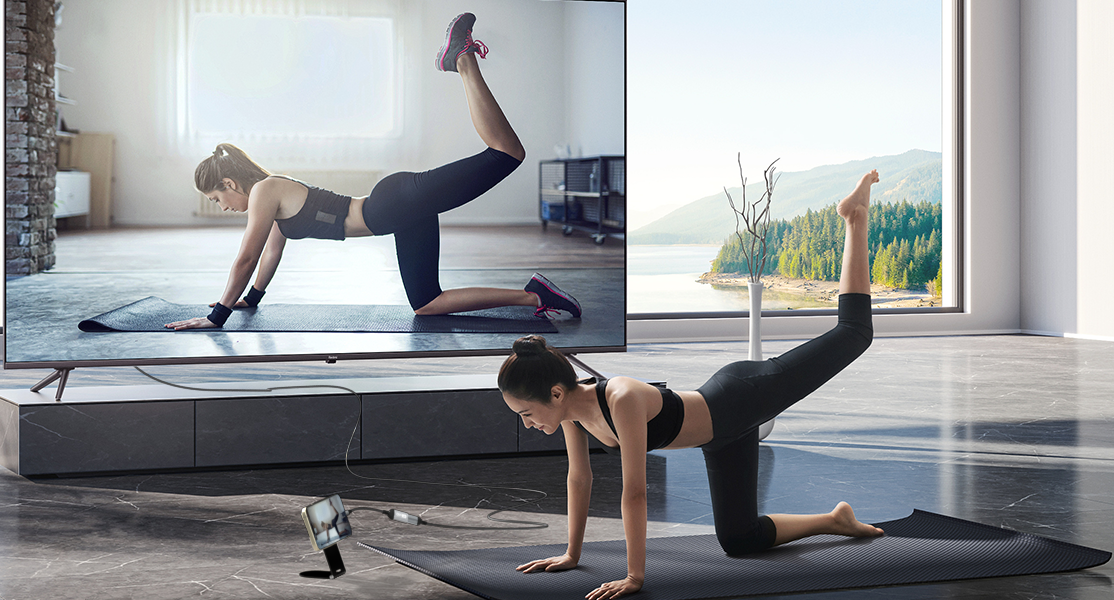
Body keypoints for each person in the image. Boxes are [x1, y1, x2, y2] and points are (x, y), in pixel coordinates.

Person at [497, 170, 887, 599]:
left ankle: (854, 218)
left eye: (527, 414)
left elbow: (635, 494)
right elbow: (579, 479)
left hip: (742, 397)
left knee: (854, 333)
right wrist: (571, 555)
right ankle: (836, 520)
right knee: (740, 540)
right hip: (721, 438)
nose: (528, 424)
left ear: (554, 392)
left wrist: (635, 576)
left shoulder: (620, 397)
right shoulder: (571, 412)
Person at [165, 13, 581, 331]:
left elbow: (245, 257)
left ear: (230, 184)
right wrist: (251, 299)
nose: (222, 206)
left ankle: (463, 59)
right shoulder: (272, 203)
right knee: (426, 304)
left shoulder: (264, 191)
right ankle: (534, 297)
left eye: (218, 199)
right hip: (398, 214)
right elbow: (269, 255)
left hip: (393, 203)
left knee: (506, 153)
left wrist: (217, 316)